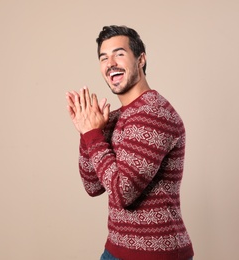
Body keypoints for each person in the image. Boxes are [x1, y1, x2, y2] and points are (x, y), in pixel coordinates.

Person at [65, 25, 194, 260]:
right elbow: (93, 186)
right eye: (103, 57)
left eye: (119, 54)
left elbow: (123, 192)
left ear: (141, 59)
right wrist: (88, 133)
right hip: (115, 250)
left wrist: (92, 134)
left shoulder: (154, 113)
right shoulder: (116, 117)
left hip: (156, 254)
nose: (110, 62)